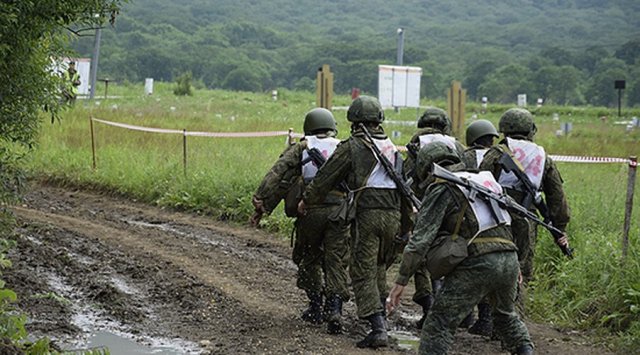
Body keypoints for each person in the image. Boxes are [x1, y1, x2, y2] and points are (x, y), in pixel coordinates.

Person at [387, 142, 536, 355]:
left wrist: (400, 281)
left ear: (427, 168)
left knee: (439, 322)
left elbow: (420, 239)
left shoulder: (443, 185)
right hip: (508, 257)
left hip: (478, 261)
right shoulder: (487, 181)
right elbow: (521, 221)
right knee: (505, 317)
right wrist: (518, 262)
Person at [300, 95, 409, 349]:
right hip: (393, 215)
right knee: (380, 266)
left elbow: (325, 177)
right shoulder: (392, 148)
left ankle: (377, 327)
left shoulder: (353, 146)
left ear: (354, 121)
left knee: (362, 271)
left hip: (368, 216)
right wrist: (405, 227)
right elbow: (404, 189)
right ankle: (381, 316)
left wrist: (307, 199)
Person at [250, 108, 350, 334]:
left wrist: (261, 203)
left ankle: (315, 308)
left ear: (309, 126)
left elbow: (278, 174)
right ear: (332, 126)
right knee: (336, 261)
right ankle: (335, 309)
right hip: (340, 212)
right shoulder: (344, 147)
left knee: (308, 258)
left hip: (310, 212)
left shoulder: (302, 147)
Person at [479, 108, 571, 290]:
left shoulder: (496, 153)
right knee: (522, 270)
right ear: (531, 130)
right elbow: (557, 199)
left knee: (488, 262)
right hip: (526, 219)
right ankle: (515, 312)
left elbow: (479, 181)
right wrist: (560, 227)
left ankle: (486, 314)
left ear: (503, 129)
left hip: (494, 216)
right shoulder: (543, 157)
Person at [404, 107, 467, 330]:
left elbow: (407, 173)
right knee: (453, 255)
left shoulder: (416, 141)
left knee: (422, 257)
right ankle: (459, 310)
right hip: (456, 209)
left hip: (425, 205)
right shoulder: (456, 144)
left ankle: (429, 304)